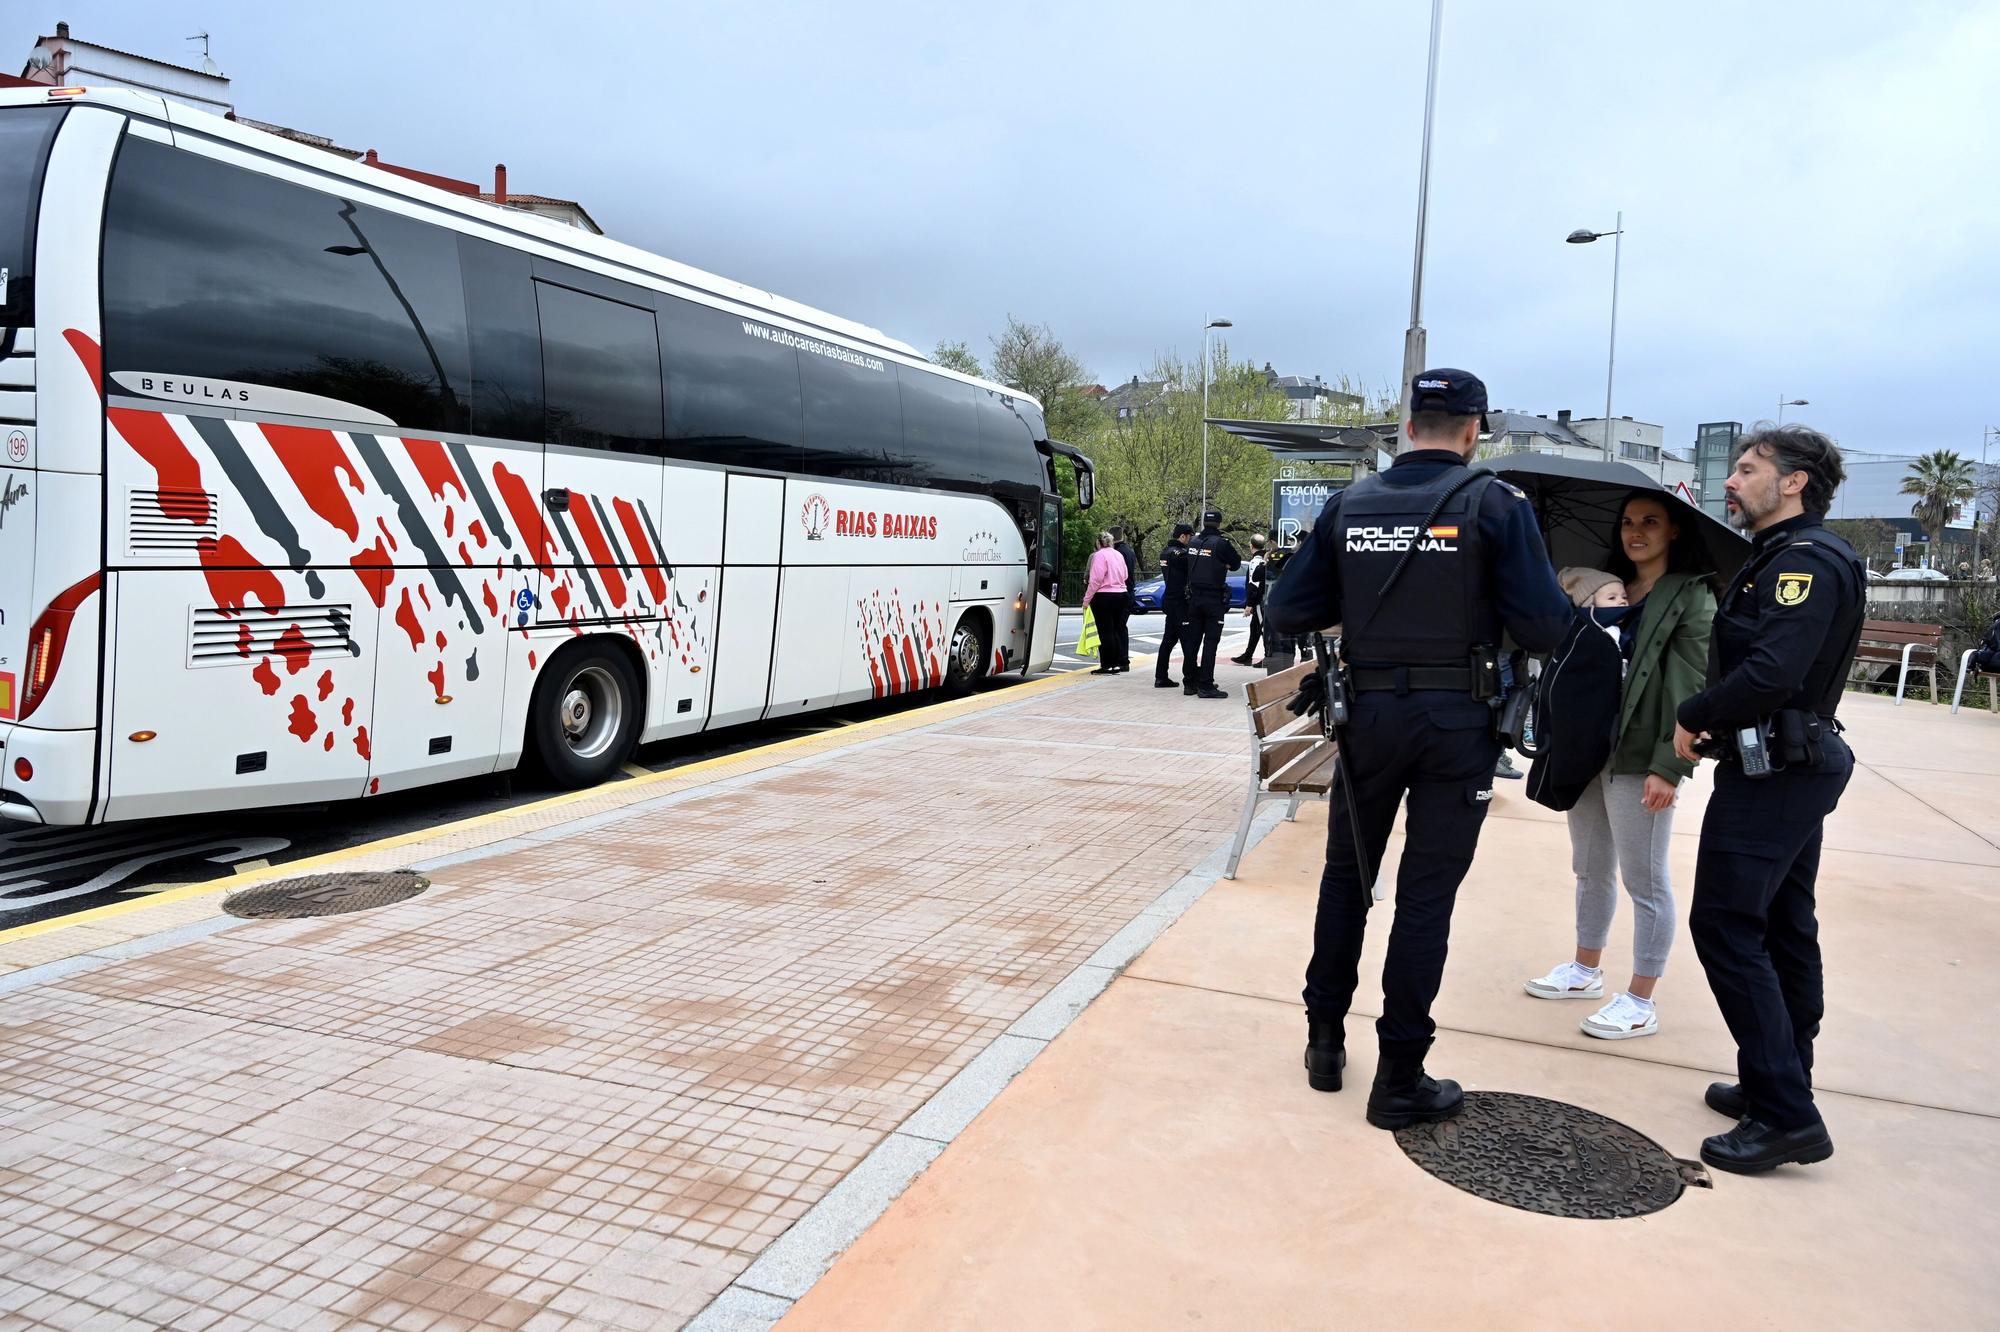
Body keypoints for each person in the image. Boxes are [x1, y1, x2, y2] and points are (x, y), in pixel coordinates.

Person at [1265, 368, 1573, 1129]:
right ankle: (1400, 1073)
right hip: (1455, 723)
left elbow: (1288, 607)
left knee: (1347, 880)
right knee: (1424, 898)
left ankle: (1325, 1041)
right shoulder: (1496, 506)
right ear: (1475, 432)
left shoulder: (1351, 505)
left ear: (1408, 428)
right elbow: (1543, 627)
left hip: (1367, 715)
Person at [1671, 424, 1864, 1175]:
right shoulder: (1785, 556)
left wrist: (1694, 714)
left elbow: (1775, 671)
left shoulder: (1805, 563)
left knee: (1723, 922)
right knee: (1783, 923)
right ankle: (1775, 1079)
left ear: (1793, 482)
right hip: (1783, 762)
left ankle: (1786, 1113)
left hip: (1781, 767)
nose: (1730, 481)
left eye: (1747, 470)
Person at [1526, 505, 1716, 1043]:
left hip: (1640, 756)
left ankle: (1640, 999)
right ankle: (1585, 969)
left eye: (1650, 522)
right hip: (1587, 750)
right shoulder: (1605, 589)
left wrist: (1670, 765)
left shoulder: (1688, 595)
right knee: (1589, 867)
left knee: (1645, 880)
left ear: (1675, 529)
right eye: (1628, 523)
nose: (1635, 532)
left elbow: (1691, 684)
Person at [1180, 510, 1242, 699]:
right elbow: (1236, 563)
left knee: (1193, 641)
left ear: (1204, 523)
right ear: (1220, 524)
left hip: (1194, 597)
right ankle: (1206, 684)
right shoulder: (1221, 544)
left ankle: (1190, 682)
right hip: (1213, 598)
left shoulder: (1193, 542)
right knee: (1210, 643)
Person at [1082, 530, 1132, 675]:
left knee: (1105, 632)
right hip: (1122, 595)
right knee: (1116, 630)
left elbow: (1095, 580)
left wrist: (1087, 599)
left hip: (1104, 596)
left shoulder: (1099, 556)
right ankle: (1117, 663)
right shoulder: (1119, 555)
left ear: (1098, 543)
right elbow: (1125, 574)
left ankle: (1106, 664)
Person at [1155, 522, 1195, 688]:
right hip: (1180, 602)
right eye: (1190, 537)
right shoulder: (1181, 555)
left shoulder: (1165, 553)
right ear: (1183, 536)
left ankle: (1160, 676)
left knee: (1168, 641)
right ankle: (1192, 676)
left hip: (1169, 601)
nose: (1191, 540)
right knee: (1187, 641)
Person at [1231, 534, 1270, 667]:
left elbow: (1254, 585)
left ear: (1251, 545)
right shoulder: (1265, 558)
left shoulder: (1255, 562)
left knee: (1263, 629)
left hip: (1260, 601)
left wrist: (1250, 604)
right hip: (1263, 599)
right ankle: (1248, 655)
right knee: (1255, 628)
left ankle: (1268, 656)